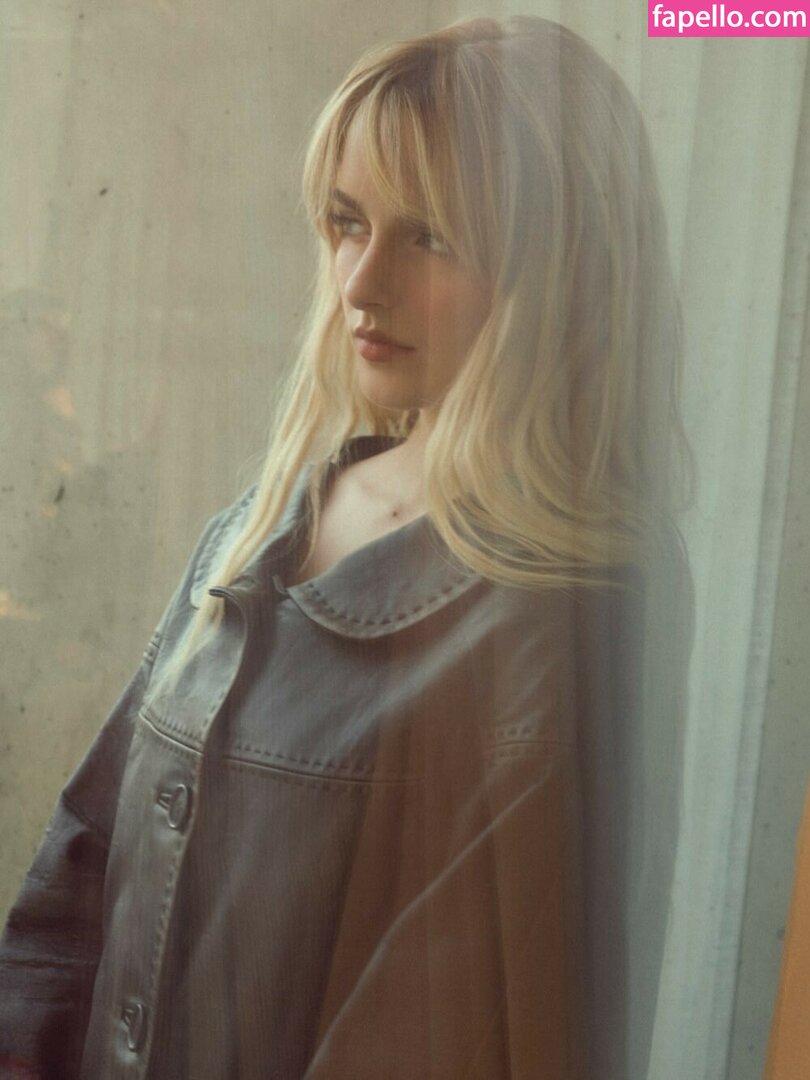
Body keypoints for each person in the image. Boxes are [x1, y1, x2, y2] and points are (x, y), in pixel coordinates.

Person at [0, 15, 694, 1080]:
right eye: (346, 222)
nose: (361, 283)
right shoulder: (256, 526)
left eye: (431, 238)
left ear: (559, 271)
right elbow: (77, 880)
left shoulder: (569, 606)